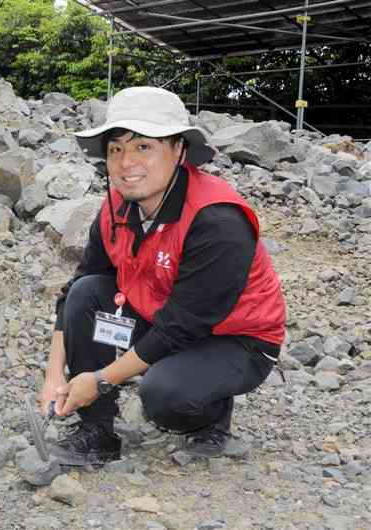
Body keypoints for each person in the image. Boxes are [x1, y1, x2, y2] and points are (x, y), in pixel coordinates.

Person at [38, 87, 286, 466]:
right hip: (161, 316)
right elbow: (75, 289)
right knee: (87, 293)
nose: (125, 162)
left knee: (165, 396)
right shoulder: (116, 209)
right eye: (115, 149)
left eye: (143, 147)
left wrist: (101, 379)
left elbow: (181, 327)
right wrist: (54, 375)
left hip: (237, 339)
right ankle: (97, 431)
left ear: (179, 151)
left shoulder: (217, 220)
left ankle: (210, 415)